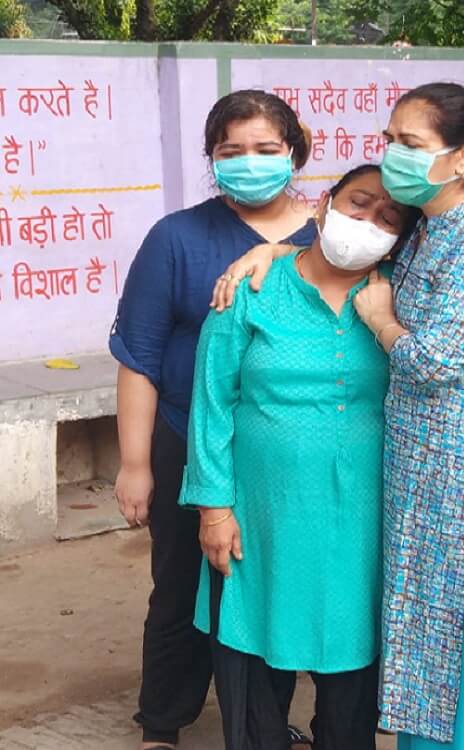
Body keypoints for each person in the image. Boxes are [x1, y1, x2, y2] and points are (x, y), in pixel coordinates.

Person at [213, 83, 464, 750]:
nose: (391, 154)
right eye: (389, 139)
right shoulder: (427, 230)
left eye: (410, 145)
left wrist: (384, 323)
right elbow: (346, 253)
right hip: (420, 471)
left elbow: (430, 360)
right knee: (427, 649)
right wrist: (275, 250)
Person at [179, 164, 419, 750]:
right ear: (323, 206)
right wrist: (214, 509)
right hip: (262, 519)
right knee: (254, 664)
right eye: (358, 204)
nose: (368, 222)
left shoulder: (399, 295)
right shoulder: (251, 289)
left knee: (351, 676)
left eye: (389, 217)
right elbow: (212, 403)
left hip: (364, 523)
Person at [109, 89, 315, 750]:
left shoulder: (329, 235)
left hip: (290, 451)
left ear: (292, 153)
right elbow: (139, 356)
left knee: (271, 583)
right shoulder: (177, 238)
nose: (248, 162)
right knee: (179, 584)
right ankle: (162, 724)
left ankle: (263, 723)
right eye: (232, 152)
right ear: (212, 159)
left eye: (264, 149)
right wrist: (136, 465)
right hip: (185, 438)